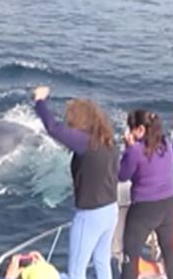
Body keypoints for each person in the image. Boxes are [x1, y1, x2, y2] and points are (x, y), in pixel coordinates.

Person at [32, 86, 118, 279]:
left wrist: (39, 101)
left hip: (90, 216)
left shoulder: (85, 143)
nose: (67, 123)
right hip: (110, 211)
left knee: (76, 272)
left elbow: (53, 128)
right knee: (102, 262)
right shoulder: (109, 143)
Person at [118, 110, 173, 279]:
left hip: (144, 209)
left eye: (131, 128)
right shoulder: (167, 146)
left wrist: (128, 148)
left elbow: (122, 175)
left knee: (130, 257)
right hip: (169, 204)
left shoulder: (136, 151)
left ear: (140, 129)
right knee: (170, 250)